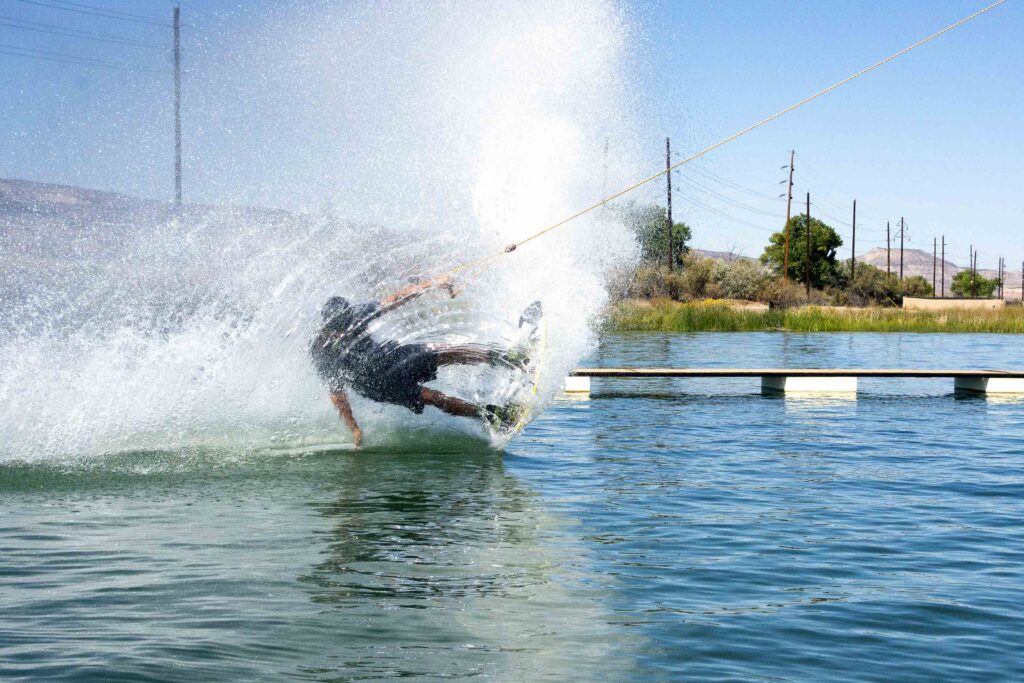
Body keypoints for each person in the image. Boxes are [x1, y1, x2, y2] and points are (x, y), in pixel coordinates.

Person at [310, 278, 529, 447]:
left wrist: (433, 284)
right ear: (329, 325)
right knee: (433, 397)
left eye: (347, 322)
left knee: (449, 351)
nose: (346, 329)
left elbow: (394, 300)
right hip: (373, 383)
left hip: (390, 356)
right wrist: (354, 428)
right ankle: (493, 416)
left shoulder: (356, 315)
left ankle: (505, 358)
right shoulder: (322, 349)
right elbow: (337, 393)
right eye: (340, 326)